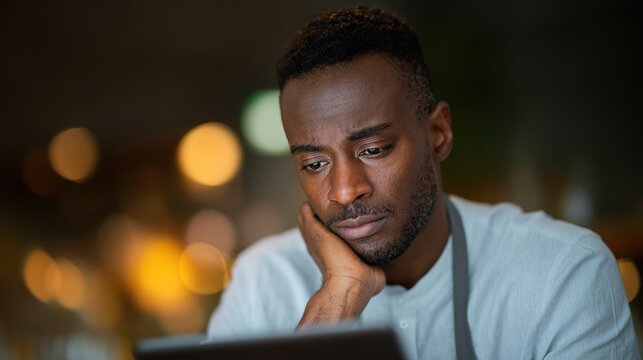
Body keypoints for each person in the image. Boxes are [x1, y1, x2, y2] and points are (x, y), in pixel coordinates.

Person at [206, 6, 639, 359]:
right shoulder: (262, 281)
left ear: (438, 135)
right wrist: (340, 294)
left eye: (373, 150)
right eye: (315, 164)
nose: (343, 190)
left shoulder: (561, 273)